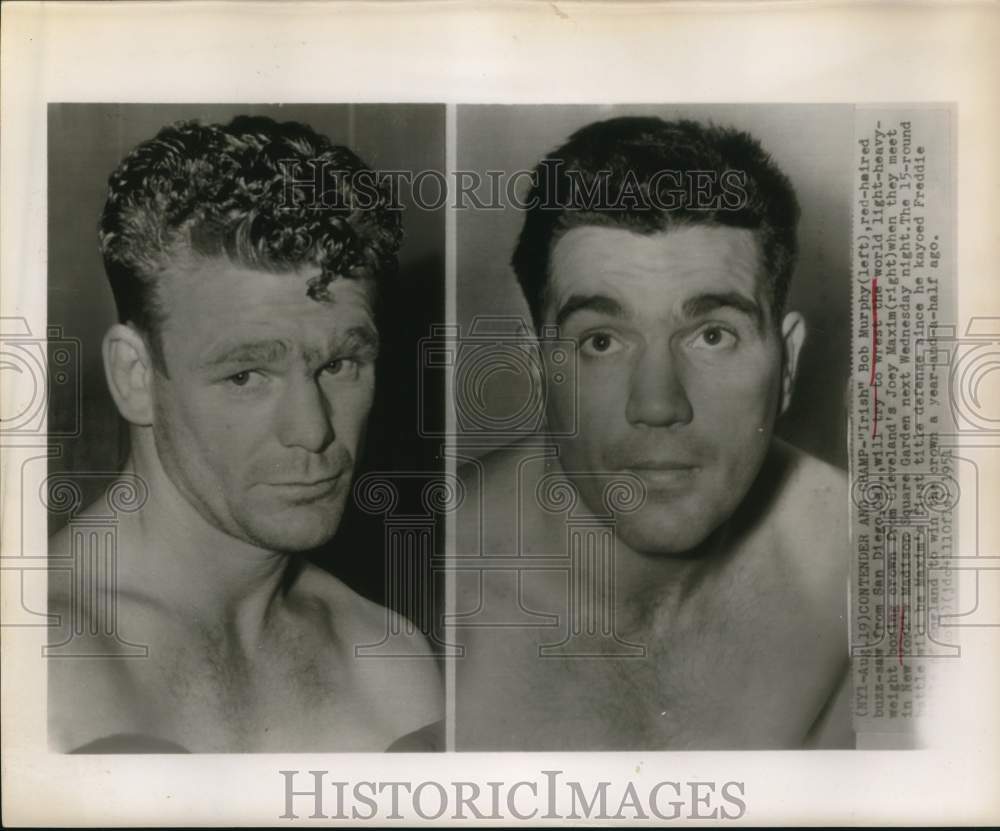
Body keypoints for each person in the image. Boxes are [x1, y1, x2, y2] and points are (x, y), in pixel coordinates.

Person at [454, 117, 852, 750]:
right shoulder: (427, 568)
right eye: (603, 341)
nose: (659, 404)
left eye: (713, 335)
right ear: (539, 372)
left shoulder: (870, 574)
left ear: (789, 366)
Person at [48, 115, 442, 752]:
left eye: (339, 365)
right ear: (135, 376)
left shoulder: (388, 660)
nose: (312, 432)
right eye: (246, 375)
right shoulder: (35, 656)